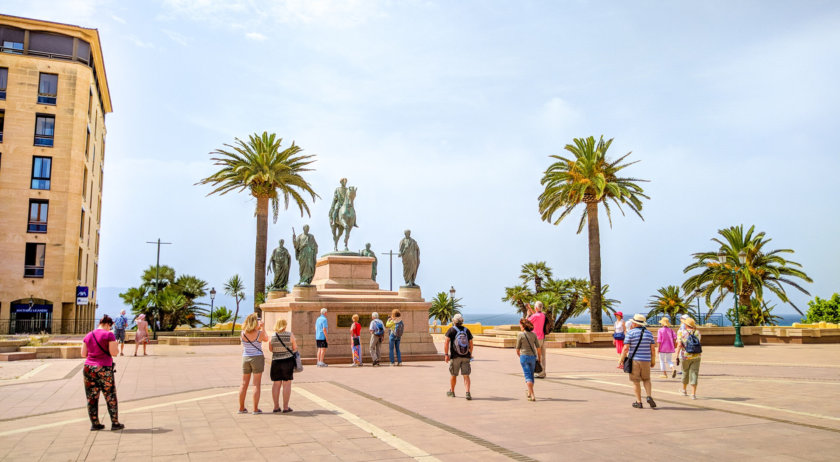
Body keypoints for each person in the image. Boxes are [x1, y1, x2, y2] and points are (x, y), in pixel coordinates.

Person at [81, 315, 124, 431]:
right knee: (110, 395)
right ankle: (115, 423)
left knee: (91, 397)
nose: (110, 329)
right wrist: (117, 346)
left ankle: (95, 423)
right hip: (104, 368)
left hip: (88, 368)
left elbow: (83, 354)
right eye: (110, 327)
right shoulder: (109, 335)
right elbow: (114, 352)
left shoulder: (89, 335)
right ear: (107, 324)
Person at [619, 314, 657, 409]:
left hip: (635, 360)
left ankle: (639, 402)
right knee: (647, 379)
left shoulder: (631, 333)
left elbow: (626, 348)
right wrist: (653, 361)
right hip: (646, 360)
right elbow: (653, 349)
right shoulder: (649, 333)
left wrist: (621, 359)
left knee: (636, 381)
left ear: (635, 323)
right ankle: (648, 396)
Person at [239, 313, 268, 414]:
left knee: (243, 384)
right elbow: (266, 338)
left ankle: (241, 408)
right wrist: (262, 327)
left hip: (246, 357)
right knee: (256, 384)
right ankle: (255, 409)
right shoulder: (259, 333)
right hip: (257, 358)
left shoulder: (243, 333)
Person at [269, 318, 297, 413]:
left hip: (276, 361)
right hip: (287, 361)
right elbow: (294, 347)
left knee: (276, 384)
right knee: (287, 383)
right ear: (284, 325)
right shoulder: (290, 335)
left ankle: (276, 406)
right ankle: (285, 407)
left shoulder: (273, 336)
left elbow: (271, 349)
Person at [444, 314, 474, 400]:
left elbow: (446, 342)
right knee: (466, 375)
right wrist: (470, 354)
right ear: (462, 321)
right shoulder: (467, 330)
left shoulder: (451, 330)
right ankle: (467, 392)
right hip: (466, 356)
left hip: (455, 357)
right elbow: (471, 344)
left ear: (454, 321)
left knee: (453, 375)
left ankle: (452, 392)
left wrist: (446, 355)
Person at [674, 317, 702, 399]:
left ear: (686, 324)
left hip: (685, 355)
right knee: (694, 373)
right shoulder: (697, 332)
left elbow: (679, 345)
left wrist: (676, 355)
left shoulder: (681, 333)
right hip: (696, 356)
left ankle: (684, 390)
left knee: (685, 372)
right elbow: (699, 342)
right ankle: (693, 394)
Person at [516, 318, 540, 401]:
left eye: (520, 325)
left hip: (524, 357)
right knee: (531, 375)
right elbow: (538, 347)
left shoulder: (520, 335)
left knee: (527, 376)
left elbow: (517, 349)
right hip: (533, 357)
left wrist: (521, 356)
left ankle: (532, 395)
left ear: (523, 326)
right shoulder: (533, 335)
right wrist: (539, 358)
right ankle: (529, 393)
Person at [526, 301, 548, 378]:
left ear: (536, 308)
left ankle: (536, 372)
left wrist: (527, 315)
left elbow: (525, 323)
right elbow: (536, 315)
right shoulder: (543, 315)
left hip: (536, 339)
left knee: (534, 356)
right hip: (542, 338)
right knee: (543, 356)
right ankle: (543, 372)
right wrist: (530, 308)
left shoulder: (534, 316)